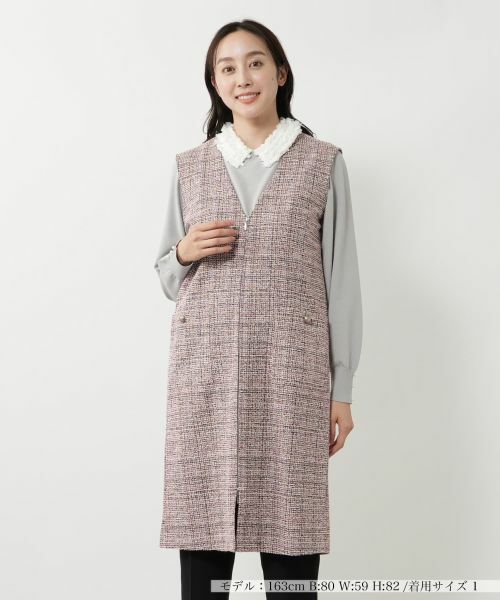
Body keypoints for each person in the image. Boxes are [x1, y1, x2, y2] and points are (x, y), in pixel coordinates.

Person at [154, 19, 363, 600]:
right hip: (205, 377)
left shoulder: (322, 163)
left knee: (292, 538)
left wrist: (341, 387)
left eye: (254, 62)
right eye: (227, 68)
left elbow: (341, 280)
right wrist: (184, 251)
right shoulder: (189, 166)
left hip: (291, 376)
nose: (242, 78)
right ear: (214, 83)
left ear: (280, 73)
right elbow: (167, 277)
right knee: (204, 541)